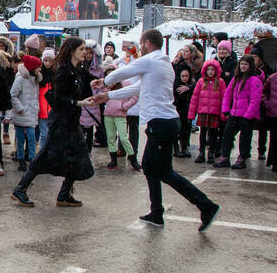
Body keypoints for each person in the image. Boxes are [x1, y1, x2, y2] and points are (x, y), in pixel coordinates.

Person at [93, 29, 221, 230]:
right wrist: (108, 96)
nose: (140, 47)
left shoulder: (151, 60)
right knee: (150, 168)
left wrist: (105, 82)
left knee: (164, 172)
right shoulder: (163, 63)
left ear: (148, 43)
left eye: (141, 44)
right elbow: (138, 88)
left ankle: (206, 206)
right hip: (165, 122)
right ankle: (156, 212)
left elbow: (126, 70)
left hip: (161, 123)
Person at [11, 36, 95, 208]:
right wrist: (78, 103)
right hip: (60, 123)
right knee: (45, 156)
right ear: (72, 51)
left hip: (72, 122)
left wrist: (102, 83)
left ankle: (64, 194)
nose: (84, 52)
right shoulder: (64, 70)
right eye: (81, 49)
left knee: (78, 156)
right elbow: (58, 99)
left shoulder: (79, 69)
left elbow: (89, 82)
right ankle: (20, 189)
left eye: (85, 49)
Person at [213, 55, 264, 170]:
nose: (243, 66)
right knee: (227, 135)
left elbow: (255, 100)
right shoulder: (236, 78)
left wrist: (248, 116)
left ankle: (242, 158)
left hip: (247, 115)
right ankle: (225, 157)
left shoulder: (254, 80)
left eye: (246, 64)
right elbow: (228, 94)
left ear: (250, 66)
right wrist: (226, 109)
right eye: (241, 64)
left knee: (245, 138)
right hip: (234, 113)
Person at [102, 62, 139, 170]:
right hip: (108, 114)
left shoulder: (126, 83)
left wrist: (125, 106)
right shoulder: (106, 86)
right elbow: (102, 97)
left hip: (120, 114)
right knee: (111, 138)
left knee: (123, 138)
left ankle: (133, 159)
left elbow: (135, 96)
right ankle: (113, 160)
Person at [188, 60, 226, 164]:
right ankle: (201, 153)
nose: (210, 71)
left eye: (212, 69)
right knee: (202, 133)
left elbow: (224, 98)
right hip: (203, 112)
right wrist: (192, 113)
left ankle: (211, 154)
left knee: (213, 134)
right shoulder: (201, 82)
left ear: (216, 70)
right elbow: (194, 98)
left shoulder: (221, 82)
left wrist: (223, 112)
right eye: (208, 69)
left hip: (214, 112)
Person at [10, 54, 41, 172]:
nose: (40, 69)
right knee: (21, 137)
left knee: (32, 137)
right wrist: (20, 108)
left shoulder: (35, 79)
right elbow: (13, 94)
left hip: (31, 113)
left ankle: (32, 159)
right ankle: (21, 159)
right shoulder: (20, 79)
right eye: (38, 67)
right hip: (22, 113)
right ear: (33, 67)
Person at [173, 67, 196, 157]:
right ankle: (176, 148)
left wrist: (189, 88)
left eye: (186, 76)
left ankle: (184, 147)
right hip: (177, 110)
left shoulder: (191, 85)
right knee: (177, 130)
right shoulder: (176, 85)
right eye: (182, 76)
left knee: (186, 130)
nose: (184, 78)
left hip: (187, 111)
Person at [36, 49, 54, 152]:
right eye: (45, 60)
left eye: (49, 60)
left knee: (50, 133)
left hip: (52, 109)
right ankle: (43, 154)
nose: (47, 63)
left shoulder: (55, 75)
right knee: (44, 133)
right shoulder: (39, 75)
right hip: (42, 108)